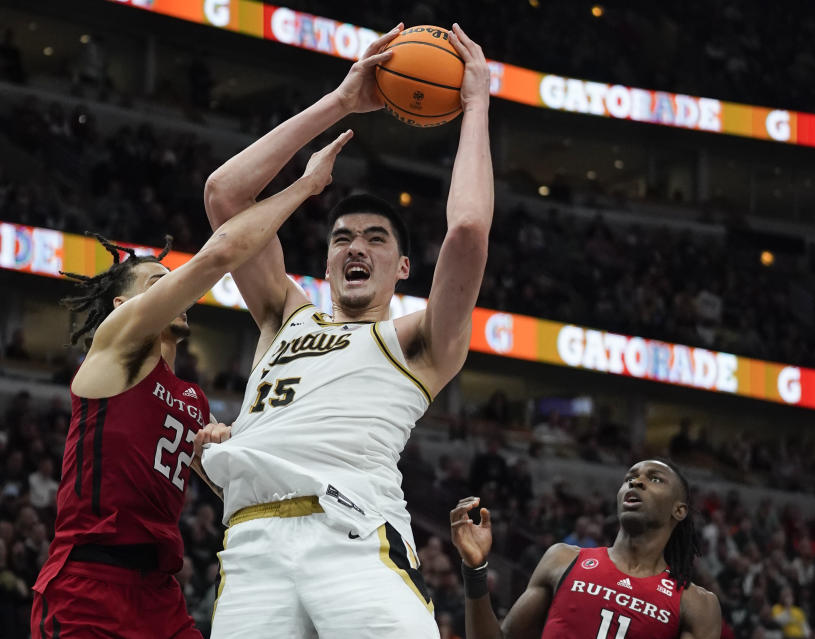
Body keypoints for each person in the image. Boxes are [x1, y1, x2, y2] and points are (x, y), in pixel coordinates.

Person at [202, 22, 493, 638]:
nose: (355, 247)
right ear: (329, 261)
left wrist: (476, 105)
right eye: (341, 239)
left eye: (375, 239)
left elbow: (466, 230)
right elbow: (225, 197)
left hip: (354, 535)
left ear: (403, 267)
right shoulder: (285, 312)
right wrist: (340, 101)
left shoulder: (419, 340)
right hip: (251, 545)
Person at [29, 132, 351, 639]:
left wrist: (224, 454)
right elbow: (217, 257)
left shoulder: (192, 399)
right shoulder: (118, 344)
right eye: (157, 283)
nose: (174, 288)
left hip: (159, 593)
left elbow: (228, 486)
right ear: (123, 307)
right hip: (90, 581)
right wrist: (304, 187)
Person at [450, 459, 722, 638]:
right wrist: (475, 570)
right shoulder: (563, 559)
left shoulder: (697, 604)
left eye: (655, 479)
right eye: (630, 477)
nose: (636, 482)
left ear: (679, 510)